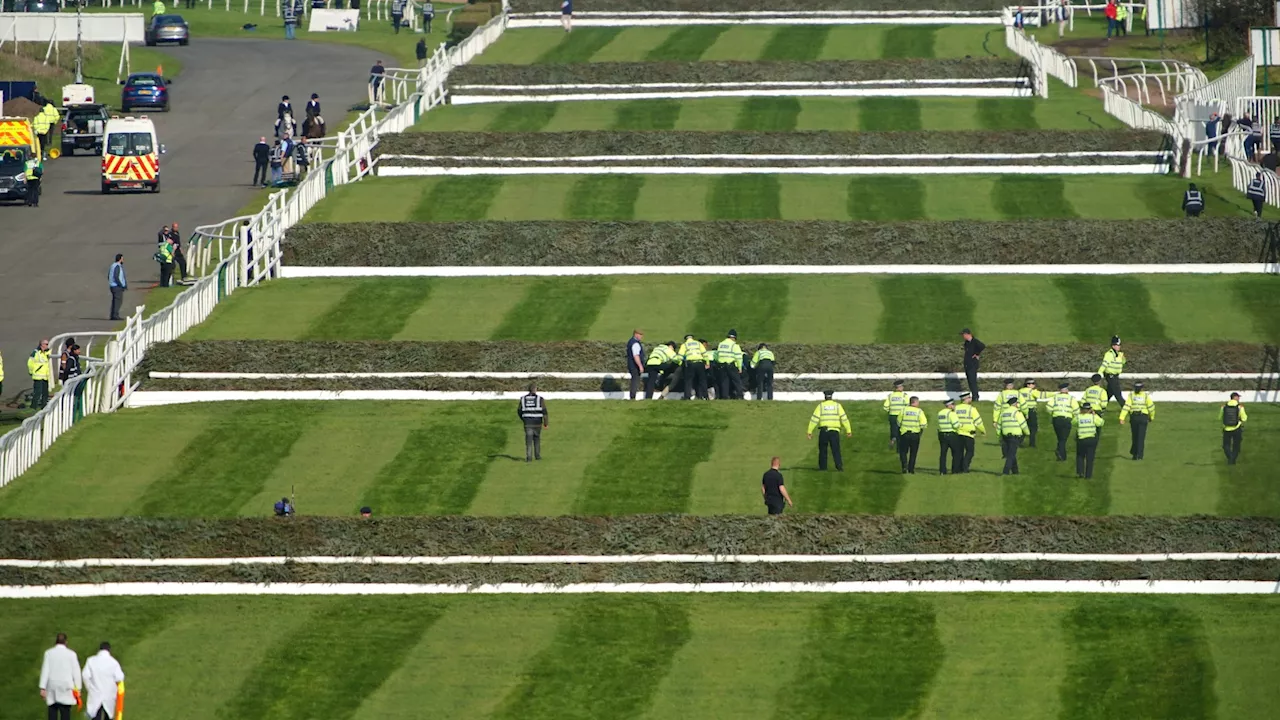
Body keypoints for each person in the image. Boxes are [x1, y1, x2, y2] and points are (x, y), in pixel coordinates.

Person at [40, 633, 82, 720]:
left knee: (52, 711)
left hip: (52, 686)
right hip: (66, 686)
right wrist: (78, 688)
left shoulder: (48, 653)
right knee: (65, 712)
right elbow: (76, 672)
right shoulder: (71, 654)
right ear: (66, 642)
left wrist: (42, 687)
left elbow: (45, 670)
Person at [807, 390, 851, 471]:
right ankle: (839, 466)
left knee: (823, 450)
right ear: (831, 396)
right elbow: (844, 418)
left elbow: (814, 419)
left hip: (824, 431)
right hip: (834, 431)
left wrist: (810, 431)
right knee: (836, 450)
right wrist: (848, 430)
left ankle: (823, 468)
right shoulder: (837, 406)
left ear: (825, 397)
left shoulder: (821, 406)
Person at [82, 642, 124, 720]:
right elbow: (119, 677)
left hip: (95, 694)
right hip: (109, 695)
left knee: (95, 716)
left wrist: (89, 688)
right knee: (108, 716)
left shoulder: (91, 660)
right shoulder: (113, 662)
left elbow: (85, 675)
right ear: (109, 650)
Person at [1118, 382, 1155, 460]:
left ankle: (1135, 454)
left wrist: (1122, 417)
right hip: (1143, 417)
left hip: (1134, 417)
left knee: (1135, 437)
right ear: (1142, 388)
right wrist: (1151, 417)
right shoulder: (1145, 396)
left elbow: (1126, 407)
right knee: (1141, 437)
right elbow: (1151, 407)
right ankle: (1140, 455)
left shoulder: (1131, 396)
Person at [952, 391, 985, 473]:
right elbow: (978, 421)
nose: (971, 399)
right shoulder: (971, 409)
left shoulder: (956, 408)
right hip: (968, 433)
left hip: (958, 433)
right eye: (969, 398)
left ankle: (957, 468)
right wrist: (983, 430)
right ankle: (965, 467)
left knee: (959, 452)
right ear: (966, 399)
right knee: (970, 452)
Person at [995, 396, 1029, 475]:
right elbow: (1023, 424)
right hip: (1014, 436)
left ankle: (1015, 471)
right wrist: (1027, 433)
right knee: (1011, 455)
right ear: (1015, 404)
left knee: (1011, 453)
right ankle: (1005, 472)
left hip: (1005, 436)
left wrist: (999, 436)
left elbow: (999, 425)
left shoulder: (1003, 413)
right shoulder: (1017, 413)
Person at [1048, 381, 1080, 461]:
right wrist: (1075, 419)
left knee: (1060, 438)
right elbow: (1076, 410)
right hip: (1066, 420)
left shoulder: (1055, 397)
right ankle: (1059, 452)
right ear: (1067, 390)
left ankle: (1062, 456)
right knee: (1063, 439)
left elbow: (1048, 407)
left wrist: (1052, 414)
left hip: (1056, 419)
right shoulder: (1071, 398)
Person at [896, 396, 927, 474]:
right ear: (915, 402)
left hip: (904, 433)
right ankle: (911, 469)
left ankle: (904, 466)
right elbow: (924, 424)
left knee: (903, 452)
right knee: (913, 452)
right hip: (915, 434)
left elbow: (898, 422)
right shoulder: (919, 411)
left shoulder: (903, 410)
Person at [518, 383, 548, 461]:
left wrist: (524, 419)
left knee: (528, 440)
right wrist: (545, 423)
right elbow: (544, 412)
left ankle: (529, 457)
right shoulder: (540, 399)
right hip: (537, 422)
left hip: (527, 423)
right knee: (537, 438)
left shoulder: (523, 399)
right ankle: (537, 456)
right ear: (535, 389)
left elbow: (519, 411)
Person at [1074, 403, 1104, 479]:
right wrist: (1095, 415)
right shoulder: (1093, 417)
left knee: (1080, 456)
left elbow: (1073, 423)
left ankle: (1080, 471)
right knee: (1090, 458)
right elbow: (1101, 423)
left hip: (1081, 439)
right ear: (1090, 409)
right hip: (1091, 439)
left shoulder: (1078, 417)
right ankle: (1088, 475)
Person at [714, 330, 743, 400]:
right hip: (731, 365)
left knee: (724, 382)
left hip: (722, 365)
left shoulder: (721, 344)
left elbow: (717, 355)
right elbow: (738, 357)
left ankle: (725, 396)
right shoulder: (734, 345)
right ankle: (739, 396)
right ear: (734, 338)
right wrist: (739, 367)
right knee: (737, 381)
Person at [1220, 392, 1248, 465]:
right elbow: (1244, 418)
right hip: (1237, 428)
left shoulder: (1223, 407)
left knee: (1226, 445)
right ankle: (1232, 459)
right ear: (1236, 398)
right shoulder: (1240, 407)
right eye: (1238, 397)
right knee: (1236, 445)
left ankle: (1230, 458)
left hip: (1226, 429)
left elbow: (1219, 417)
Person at [678, 334, 707, 400]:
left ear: (686, 339)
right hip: (700, 363)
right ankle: (705, 396)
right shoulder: (698, 343)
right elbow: (704, 353)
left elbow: (680, 356)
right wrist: (707, 362)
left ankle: (687, 397)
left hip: (690, 364)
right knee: (702, 380)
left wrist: (680, 364)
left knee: (688, 381)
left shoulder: (684, 345)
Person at [1098, 336, 1125, 405]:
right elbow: (1104, 364)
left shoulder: (1119, 354)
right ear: (1113, 346)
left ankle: (1100, 405)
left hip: (1115, 376)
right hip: (1111, 376)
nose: (1119, 346)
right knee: (1118, 394)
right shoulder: (1109, 354)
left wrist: (1123, 358)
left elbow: (1122, 363)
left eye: (1120, 345)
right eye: (1118, 345)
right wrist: (1099, 374)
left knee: (1109, 393)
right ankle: (1126, 408)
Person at [882, 380, 909, 449]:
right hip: (901, 416)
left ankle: (893, 439)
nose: (903, 388)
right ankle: (900, 446)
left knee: (893, 429)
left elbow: (885, 407)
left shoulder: (890, 396)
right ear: (899, 387)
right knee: (901, 430)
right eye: (902, 386)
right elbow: (908, 405)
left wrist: (890, 411)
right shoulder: (904, 395)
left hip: (892, 415)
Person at [936, 397, 960, 475]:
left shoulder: (940, 413)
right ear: (950, 405)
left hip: (942, 434)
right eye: (953, 404)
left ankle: (942, 471)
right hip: (951, 435)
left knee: (943, 453)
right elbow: (956, 425)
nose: (954, 406)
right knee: (956, 453)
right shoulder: (951, 413)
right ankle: (955, 470)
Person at [961, 328, 985, 401]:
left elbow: (982, 346)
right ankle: (974, 395)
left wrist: (977, 353)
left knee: (972, 380)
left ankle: (975, 396)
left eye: (964, 335)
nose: (963, 336)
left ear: (967, 334)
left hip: (972, 364)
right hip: (967, 364)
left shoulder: (975, 341)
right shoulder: (966, 343)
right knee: (970, 381)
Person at [1018, 379, 1042, 448]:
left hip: (1022, 411)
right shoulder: (1033, 391)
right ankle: (1032, 444)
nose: (1034, 385)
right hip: (1031, 411)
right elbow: (1043, 395)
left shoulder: (1020, 391)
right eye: (1032, 384)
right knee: (1033, 428)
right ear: (1028, 385)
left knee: (1023, 427)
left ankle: (1019, 442)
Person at [28, 339, 51, 410]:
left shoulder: (46, 353)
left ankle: (44, 407)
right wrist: (32, 372)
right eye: (46, 344)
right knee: (37, 393)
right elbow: (30, 363)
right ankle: (33, 407)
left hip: (45, 377)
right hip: (38, 376)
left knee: (45, 393)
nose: (48, 345)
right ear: (42, 345)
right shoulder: (36, 353)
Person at [624, 329, 645, 400]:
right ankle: (632, 397)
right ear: (636, 334)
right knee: (635, 380)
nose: (641, 336)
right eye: (640, 335)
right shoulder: (635, 343)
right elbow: (636, 355)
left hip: (631, 364)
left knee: (634, 380)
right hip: (634, 366)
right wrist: (640, 366)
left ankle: (632, 396)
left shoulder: (630, 341)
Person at [108, 254, 127, 321]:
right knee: (118, 301)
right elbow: (117, 277)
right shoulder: (118, 266)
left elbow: (109, 275)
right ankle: (115, 315)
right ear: (120, 259)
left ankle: (113, 315)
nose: (123, 260)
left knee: (114, 301)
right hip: (117, 287)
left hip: (112, 286)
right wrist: (121, 285)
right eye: (122, 259)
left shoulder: (112, 265)